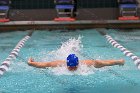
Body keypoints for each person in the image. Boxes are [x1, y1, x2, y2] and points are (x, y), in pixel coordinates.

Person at [28, 54, 125, 71]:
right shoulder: (58, 64)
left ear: (78, 64)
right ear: (67, 64)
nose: (72, 69)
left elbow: (106, 62)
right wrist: (31, 63)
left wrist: (117, 62)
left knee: (99, 63)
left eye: (74, 67)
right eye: (70, 67)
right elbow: (43, 65)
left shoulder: (85, 64)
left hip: (94, 63)